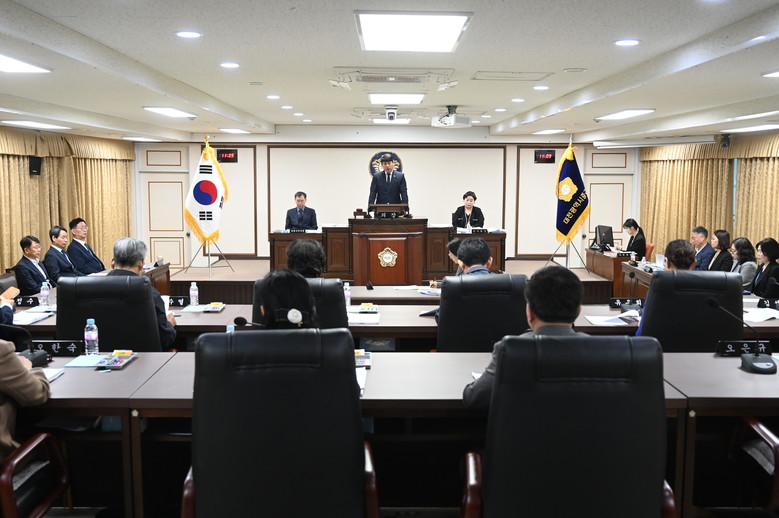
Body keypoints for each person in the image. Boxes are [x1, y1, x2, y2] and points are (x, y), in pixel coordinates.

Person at [462, 266, 586, 408]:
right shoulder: (599, 351)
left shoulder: (510, 350)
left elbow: (473, 398)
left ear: (530, 312)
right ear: (579, 311)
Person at [106, 238, 176, 349]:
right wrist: (170, 324)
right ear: (141, 263)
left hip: (101, 356)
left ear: (112, 262)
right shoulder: (149, 293)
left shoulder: (91, 289)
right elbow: (165, 339)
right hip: (144, 357)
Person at [0, 338, 50, 462]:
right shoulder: (1, 349)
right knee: (49, 448)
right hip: (5, 463)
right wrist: (27, 370)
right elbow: (37, 395)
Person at [636, 239, 696, 336]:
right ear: (694, 264)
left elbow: (642, 332)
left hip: (657, 344)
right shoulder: (706, 287)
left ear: (666, 262)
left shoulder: (658, 287)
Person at [434, 237, 492, 323]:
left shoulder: (453, 286)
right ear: (489, 262)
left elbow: (441, 317)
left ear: (461, 264)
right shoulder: (509, 283)